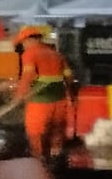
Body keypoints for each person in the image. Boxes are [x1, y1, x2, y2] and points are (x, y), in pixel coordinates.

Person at [16, 27, 73, 161]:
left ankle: (39, 160)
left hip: (40, 101)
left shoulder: (30, 53)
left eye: (23, 42)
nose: (23, 46)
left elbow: (28, 75)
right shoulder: (56, 54)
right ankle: (56, 157)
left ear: (29, 40)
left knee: (35, 131)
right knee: (57, 129)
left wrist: (20, 95)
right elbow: (69, 77)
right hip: (59, 100)